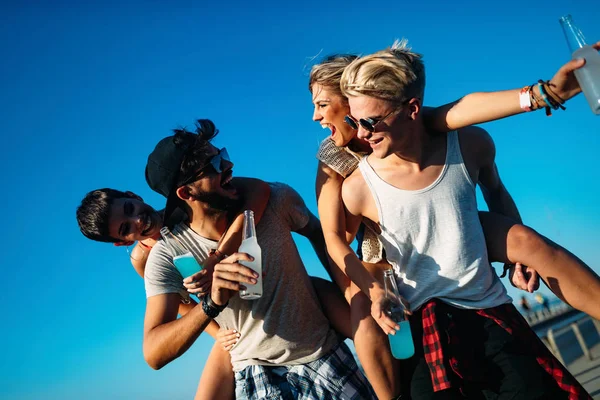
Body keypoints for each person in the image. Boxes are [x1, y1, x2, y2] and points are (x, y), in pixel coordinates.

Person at [309, 48, 600, 398]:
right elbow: (333, 238)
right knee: (365, 313)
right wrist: (373, 291)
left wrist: (546, 93)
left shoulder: (429, 126)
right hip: (382, 257)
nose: (315, 116)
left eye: (323, 104)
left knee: (523, 240)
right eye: (356, 121)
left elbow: (462, 110)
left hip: (455, 235)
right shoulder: (340, 164)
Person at [142, 119, 375, 399]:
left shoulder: (276, 198)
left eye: (223, 156)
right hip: (256, 375)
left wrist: (349, 293)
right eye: (216, 166)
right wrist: (211, 304)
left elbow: (321, 237)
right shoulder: (168, 255)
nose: (229, 166)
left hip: (325, 357)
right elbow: (154, 353)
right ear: (186, 193)